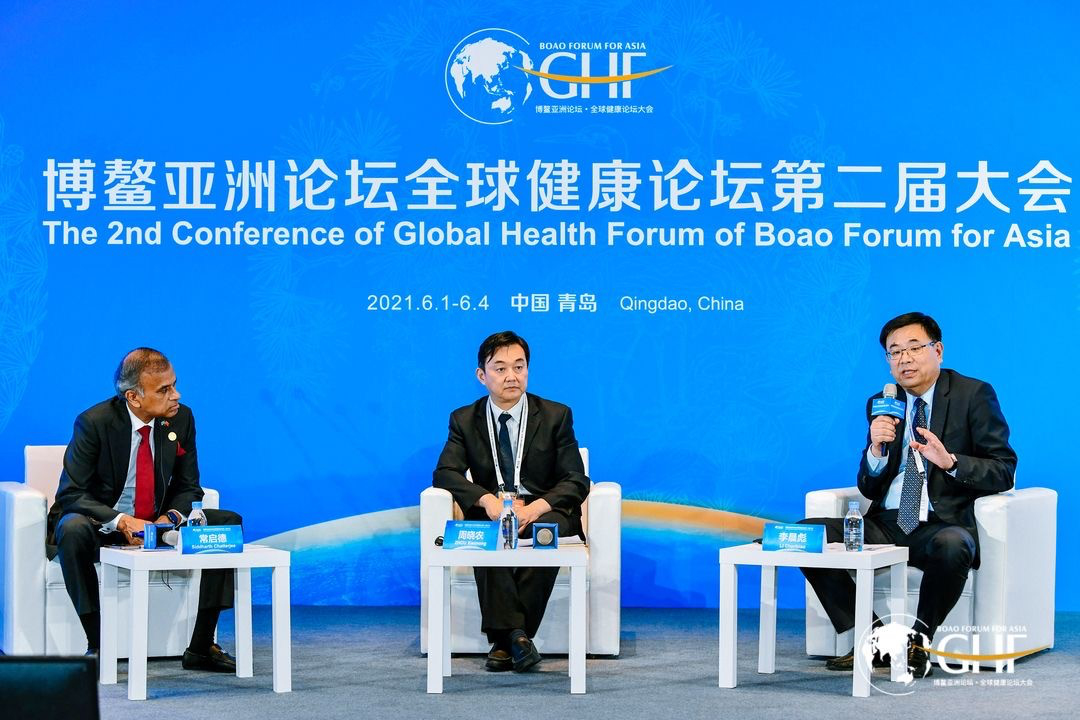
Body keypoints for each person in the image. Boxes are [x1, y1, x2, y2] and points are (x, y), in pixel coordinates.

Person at [800, 312, 1017, 677]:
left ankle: (918, 641)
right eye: (895, 351)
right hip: (886, 522)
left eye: (914, 348)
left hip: (940, 523)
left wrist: (950, 462)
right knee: (806, 535)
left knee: (954, 544)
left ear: (938, 350)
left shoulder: (973, 395)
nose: (905, 359)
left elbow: (1003, 469)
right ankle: (875, 638)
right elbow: (869, 487)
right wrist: (876, 451)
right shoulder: (882, 403)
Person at [47, 348, 242, 671]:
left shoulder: (181, 418)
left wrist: (169, 519)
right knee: (71, 527)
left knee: (227, 522)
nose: (176, 395)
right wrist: (123, 521)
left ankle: (201, 646)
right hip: (103, 525)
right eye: (164, 390)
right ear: (133, 397)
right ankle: (98, 644)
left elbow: (189, 487)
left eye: (174, 385)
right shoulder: (94, 423)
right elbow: (71, 494)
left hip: (156, 524)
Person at [433, 331, 589, 672]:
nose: (512, 376)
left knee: (545, 531)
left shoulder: (555, 415)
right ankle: (518, 640)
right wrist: (488, 501)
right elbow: (445, 473)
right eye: (500, 368)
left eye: (519, 367)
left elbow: (576, 479)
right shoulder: (464, 419)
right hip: (494, 511)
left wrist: (533, 509)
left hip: (543, 509)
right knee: (486, 533)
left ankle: (505, 641)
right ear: (482, 375)